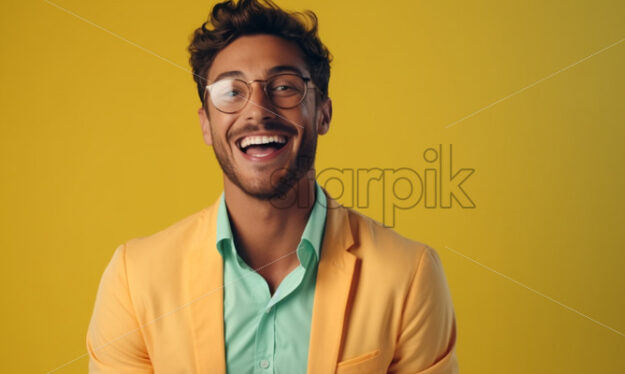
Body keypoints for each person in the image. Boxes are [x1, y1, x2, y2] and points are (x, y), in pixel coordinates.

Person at [85, 0, 458, 372]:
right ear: (205, 124)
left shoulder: (408, 275)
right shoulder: (135, 279)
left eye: (284, 87)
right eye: (231, 91)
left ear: (323, 113)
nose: (258, 109)